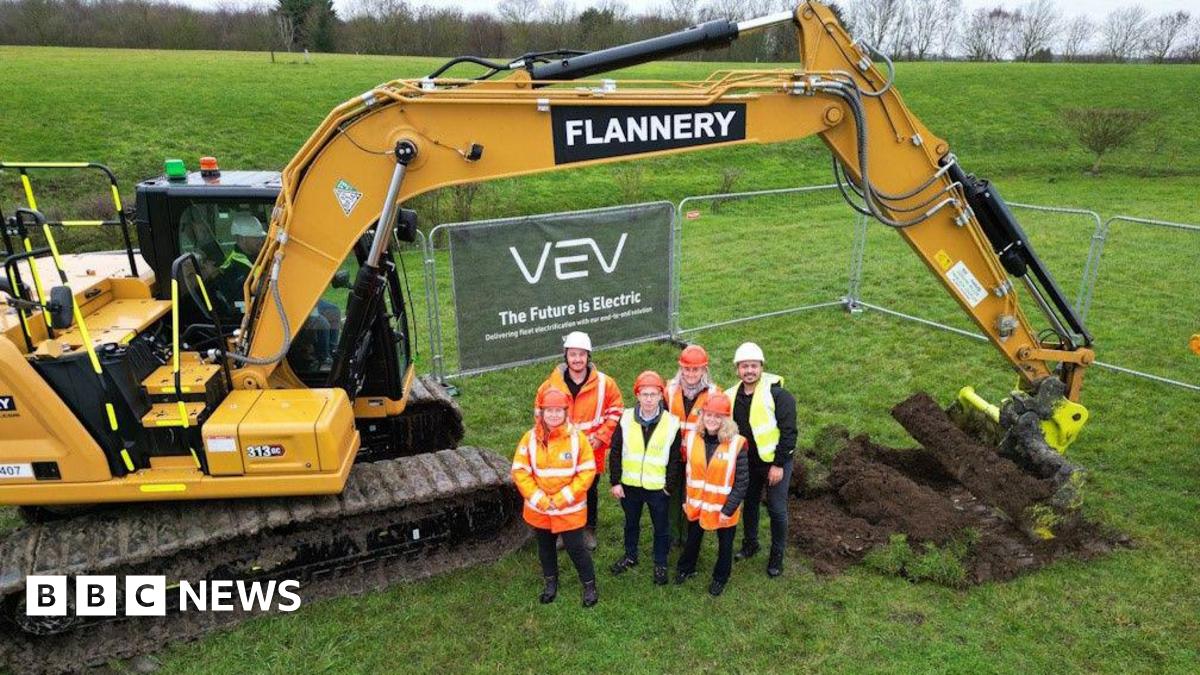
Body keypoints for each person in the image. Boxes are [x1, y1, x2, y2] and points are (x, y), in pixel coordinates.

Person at [535, 330, 623, 551]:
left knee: (589, 491)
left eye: (581, 355)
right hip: (560, 453)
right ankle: (564, 531)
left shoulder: (605, 384)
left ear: (588, 356)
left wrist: (601, 437)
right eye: (573, 354)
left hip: (591, 451)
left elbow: (616, 411)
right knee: (562, 489)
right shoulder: (549, 387)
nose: (577, 359)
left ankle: (588, 529)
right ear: (566, 356)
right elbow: (540, 417)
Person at [511, 389, 599, 607]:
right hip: (540, 508)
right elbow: (520, 471)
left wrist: (562, 498)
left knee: (576, 548)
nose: (553, 415)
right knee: (545, 547)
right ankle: (550, 583)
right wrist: (539, 498)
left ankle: (589, 585)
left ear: (565, 412)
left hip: (569, 509)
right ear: (541, 412)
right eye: (548, 411)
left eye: (558, 411)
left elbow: (587, 471)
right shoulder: (529, 438)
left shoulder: (578, 439)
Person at [727, 342, 797, 578]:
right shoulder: (730, 395)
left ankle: (777, 556)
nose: (749, 371)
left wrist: (778, 465)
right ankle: (750, 544)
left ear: (762, 367)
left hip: (775, 462)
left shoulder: (778, 395)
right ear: (737, 369)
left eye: (753, 366)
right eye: (744, 366)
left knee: (777, 509)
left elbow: (789, 433)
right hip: (748, 462)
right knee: (750, 504)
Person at [608, 371, 683, 586]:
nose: (649, 399)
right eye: (644, 394)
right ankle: (630, 556)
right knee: (631, 524)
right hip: (629, 486)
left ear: (661, 396)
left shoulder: (672, 423)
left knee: (661, 528)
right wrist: (615, 481)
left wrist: (668, 486)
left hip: (657, 488)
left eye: (653, 394)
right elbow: (615, 451)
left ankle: (660, 563)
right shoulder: (625, 418)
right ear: (637, 396)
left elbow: (675, 459)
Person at [674, 392, 749, 596]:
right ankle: (686, 568)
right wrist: (685, 501)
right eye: (709, 415)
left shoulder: (737, 443)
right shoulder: (691, 438)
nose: (712, 420)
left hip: (723, 508)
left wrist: (728, 509)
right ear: (703, 415)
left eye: (718, 416)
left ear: (726, 419)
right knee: (692, 539)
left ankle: (720, 578)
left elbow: (742, 482)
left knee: (725, 546)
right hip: (697, 504)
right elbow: (687, 474)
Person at [664, 344, 721, 548]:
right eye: (686, 369)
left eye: (695, 369)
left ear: (704, 370)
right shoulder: (669, 390)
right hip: (672, 455)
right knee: (671, 495)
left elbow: (719, 424)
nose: (690, 374)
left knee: (693, 496)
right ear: (681, 369)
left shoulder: (714, 393)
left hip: (698, 457)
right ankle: (672, 535)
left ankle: (689, 537)